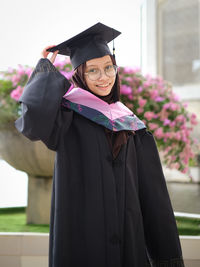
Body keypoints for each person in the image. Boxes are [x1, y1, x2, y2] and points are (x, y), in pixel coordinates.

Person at [15, 22, 185, 267]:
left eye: (108, 67)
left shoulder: (132, 126)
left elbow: (154, 199)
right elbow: (32, 122)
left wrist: (166, 256)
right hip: (82, 242)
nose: (103, 77)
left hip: (129, 242)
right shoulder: (67, 117)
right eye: (92, 70)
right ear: (79, 74)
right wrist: (45, 69)